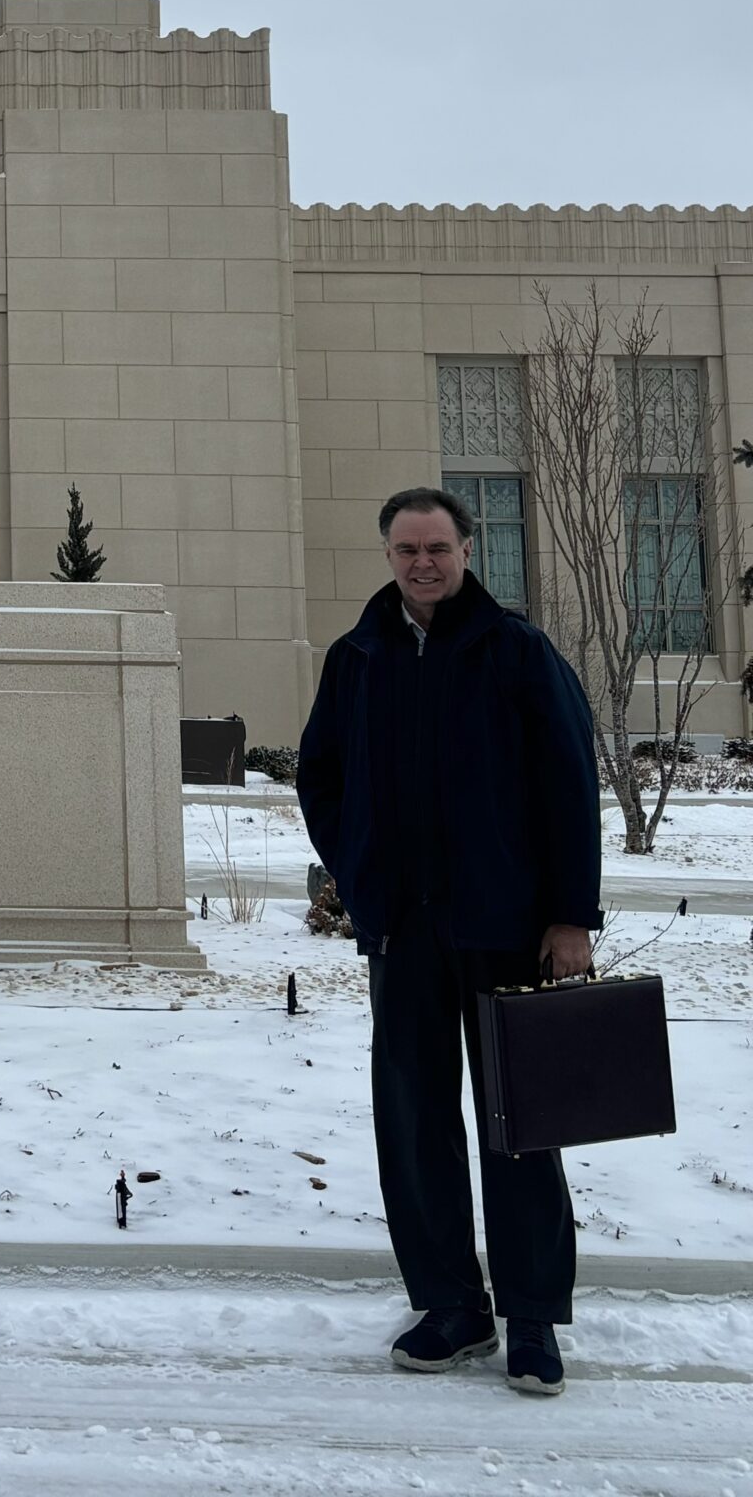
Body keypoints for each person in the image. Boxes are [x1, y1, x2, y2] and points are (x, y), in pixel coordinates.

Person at [298, 485, 601, 1398]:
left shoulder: (516, 652)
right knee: (416, 1119)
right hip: (404, 929)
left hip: (505, 928)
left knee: (520, 1125)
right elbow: (322, 777)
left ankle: (534, 1317)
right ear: (388, 556)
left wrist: (570, 915)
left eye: (437, 546)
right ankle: (449, 1305)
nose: (422, 562)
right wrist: (356, 876)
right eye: (406, 549)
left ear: (468, 550)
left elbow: (567, 785)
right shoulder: (357, 658)